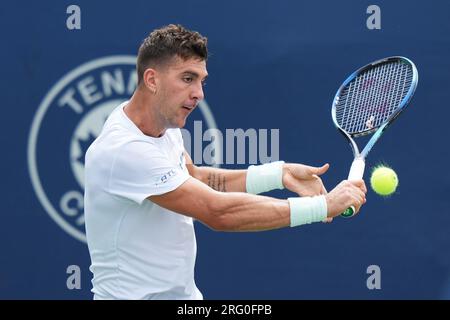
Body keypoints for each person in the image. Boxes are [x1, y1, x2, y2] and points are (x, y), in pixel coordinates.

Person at [84, 24, 367, 300]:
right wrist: (321, 206)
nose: (199, 93)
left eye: (201, 81)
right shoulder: (124, 150)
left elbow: (194, 178)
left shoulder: (161, 127)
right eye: (187, 78)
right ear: (152, 80)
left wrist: (278, 174)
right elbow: (217, 212)